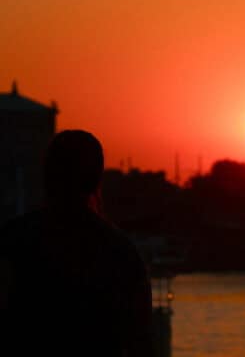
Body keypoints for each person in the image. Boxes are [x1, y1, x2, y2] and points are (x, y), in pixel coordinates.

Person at [0, 130, 152, 357]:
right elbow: (140, 341)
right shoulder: (121, 252)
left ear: (47, 176)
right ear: (97, 179)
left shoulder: (11, 240)